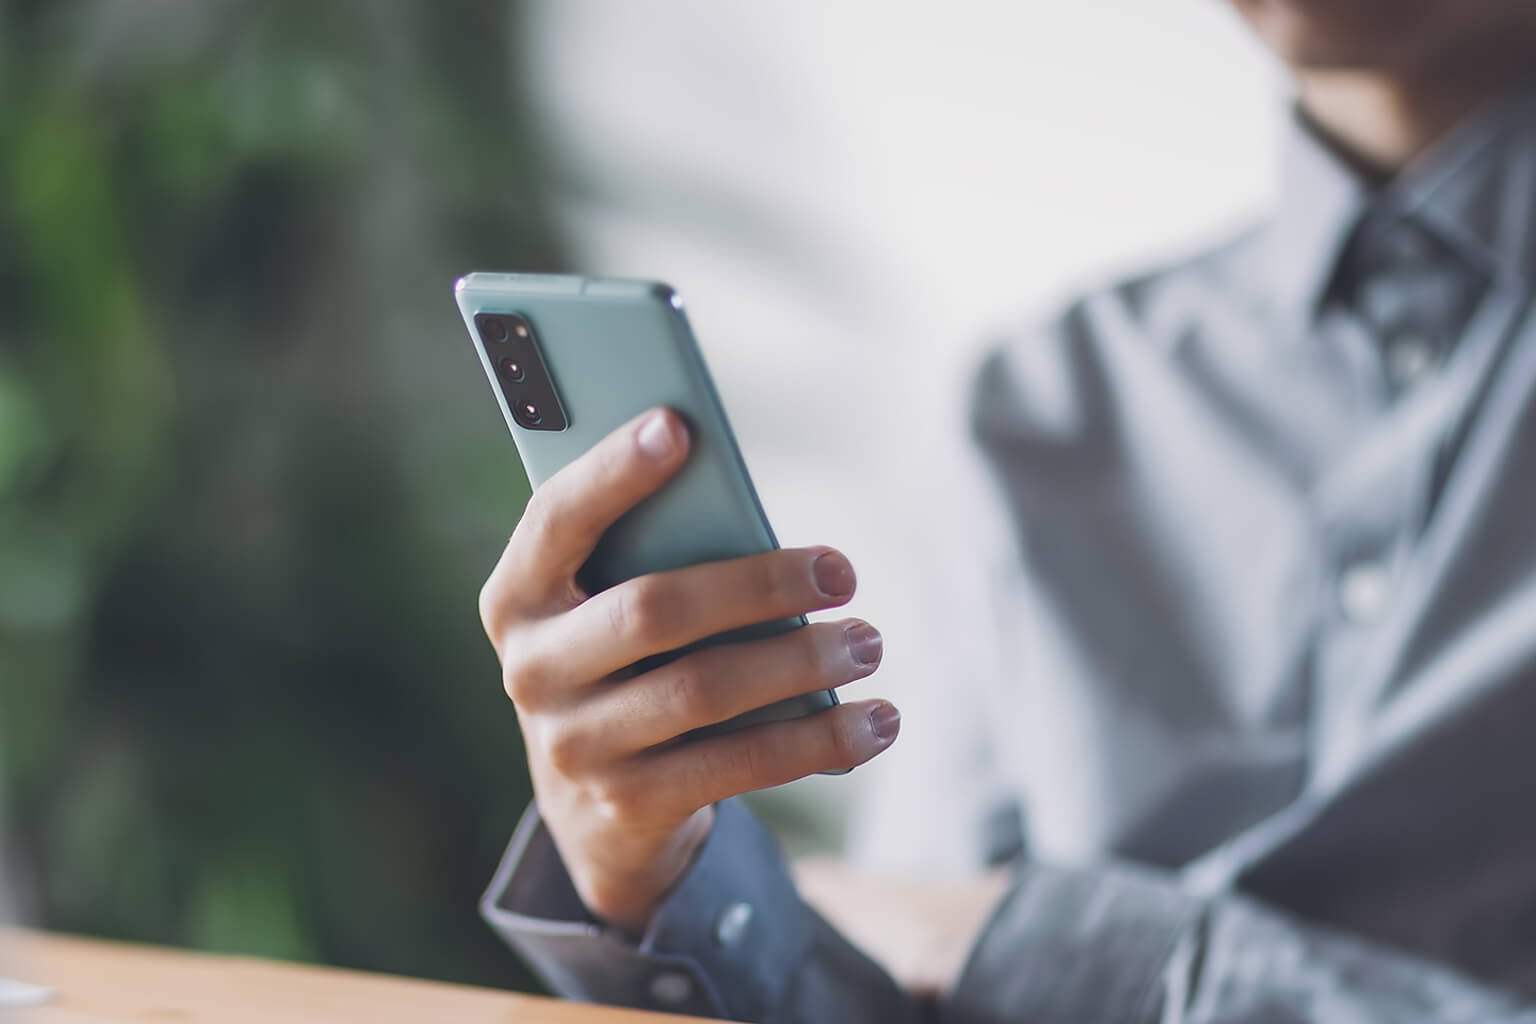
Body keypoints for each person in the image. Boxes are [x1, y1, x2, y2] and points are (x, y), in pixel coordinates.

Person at [473, 0, 1536, 1019]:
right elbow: (911, 980)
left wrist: (1054, 950)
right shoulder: (1049, 397)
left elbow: (968, 944)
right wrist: (653, 875)